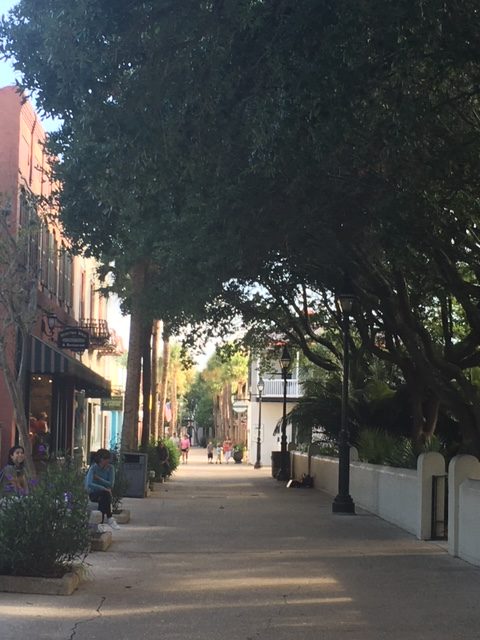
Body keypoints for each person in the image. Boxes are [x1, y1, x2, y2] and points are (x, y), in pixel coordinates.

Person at [84, 448, 120, 529]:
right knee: (105, 494)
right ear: (100, 459)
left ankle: (100, 524)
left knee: (104, 498)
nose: (107, 461)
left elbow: (111, 484)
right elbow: (89, 484)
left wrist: (99, 479)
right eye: (105, 459)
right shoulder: (93, 468)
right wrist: (103, 488)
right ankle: (110, 518)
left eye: (108, 459)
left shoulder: (111, 468)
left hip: (105, 494)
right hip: (93, 494)